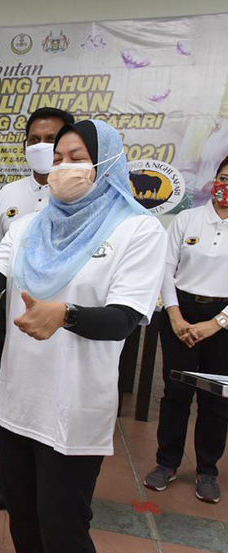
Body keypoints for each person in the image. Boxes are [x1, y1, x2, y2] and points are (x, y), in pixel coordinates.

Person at [0, 119, 166, 553]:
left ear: (108, 163)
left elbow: (124, 318)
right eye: (57, 158)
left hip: (74, 405)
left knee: (63, 529)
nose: (62, 167)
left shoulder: (137, 230)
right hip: (18, 401)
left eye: (77, 158)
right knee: (23, 520)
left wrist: (66, 315)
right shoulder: (29, 227)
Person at [0, 107, 75, 512]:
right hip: (12, 311)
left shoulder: (84, 197)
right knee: (7, 394)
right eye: (34, 140)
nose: (42, 146)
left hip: (64, 317)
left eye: (52, 140)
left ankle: (55, 491)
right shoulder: (11, 194)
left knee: (59, 397)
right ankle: (8, 486)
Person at [144, 155, 228, 504]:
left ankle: (207, 470)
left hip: (222, 321)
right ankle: (166, 463)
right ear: (215, 179)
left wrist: (215, 324)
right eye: (224, 177)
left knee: (215, 400)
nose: (226, 186)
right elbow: (166, 268)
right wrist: (176, 316)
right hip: (181, 312)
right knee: (176, 393)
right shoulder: (187, 219)